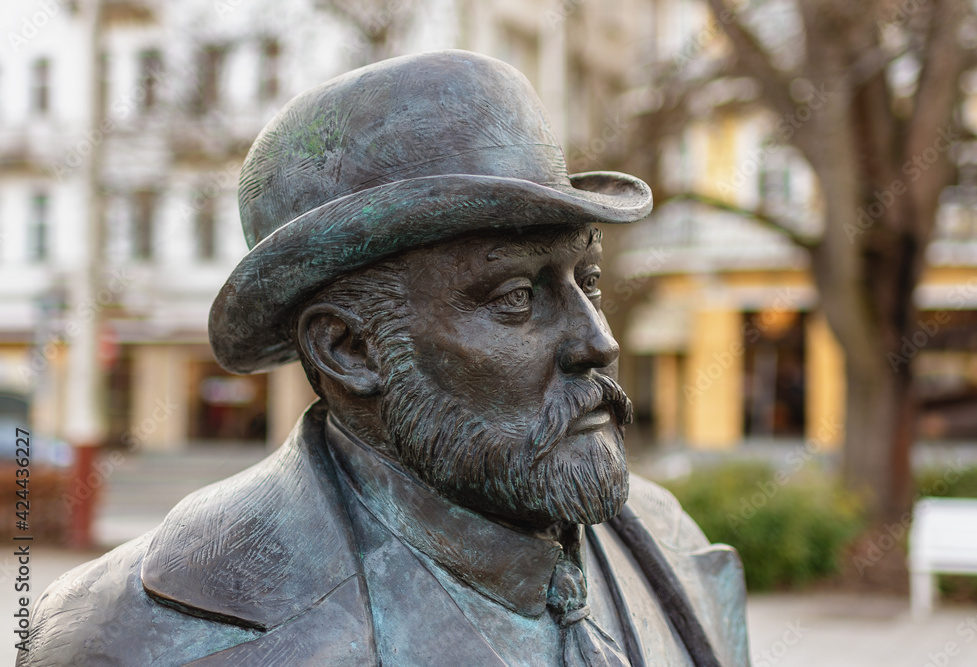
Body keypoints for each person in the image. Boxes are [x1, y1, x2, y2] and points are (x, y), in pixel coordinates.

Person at [19, 50, 748, 667]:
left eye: (588, 279)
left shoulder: (675, 546)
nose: (597, 341)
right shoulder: (129, 633)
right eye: (517, 297)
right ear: (349, 349)